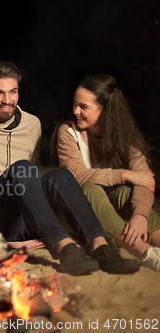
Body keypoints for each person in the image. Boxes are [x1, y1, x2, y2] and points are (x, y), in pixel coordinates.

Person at [0, 61, 140, 275]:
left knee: (59, 175)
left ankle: (100, 246)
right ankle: (64, 248)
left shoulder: (32, 124)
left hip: (24, 218)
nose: (7, 100)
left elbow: (31, 181)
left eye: (13, 92)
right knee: (22, 168)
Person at [52, 73, 160, 271]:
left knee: (127, 193)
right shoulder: (68, 132)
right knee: (90, 188)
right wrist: (124, 174)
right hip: (75, 215)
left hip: (111, 210)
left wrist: (141, 216)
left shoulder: (124, 137)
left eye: (83, 107)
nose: (76, 111)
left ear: (105, 111)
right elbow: (74, 174)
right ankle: (144, 252)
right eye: (75, 104)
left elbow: (145, 180)